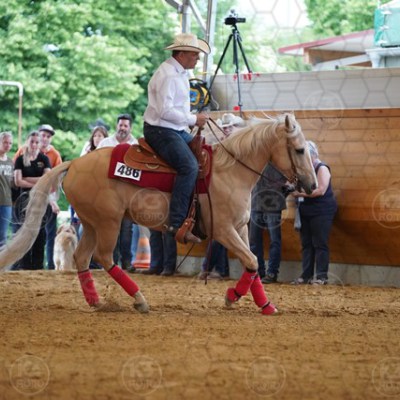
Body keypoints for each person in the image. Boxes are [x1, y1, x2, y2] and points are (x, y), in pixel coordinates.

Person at [143, 32, 210, 244]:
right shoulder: (169, 75)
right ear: (181, 54)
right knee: (189, 166)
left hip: (174, 129)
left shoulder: (179, 72)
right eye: (194, 54)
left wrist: (191, 119)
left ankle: (197, 215)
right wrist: (194, 119)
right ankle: (177, 224)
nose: (198, 58)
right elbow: (164, 111)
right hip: (161, 130)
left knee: (206, 156)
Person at [199, 113, 245, 279]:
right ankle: (218, 269)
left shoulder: (239, 147)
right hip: (223, 192)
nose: (226, 130)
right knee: (221, 233)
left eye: (229, 127)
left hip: (233, 194)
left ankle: (212, 268)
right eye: (225, 128)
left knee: (221, 233)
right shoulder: (222, 145)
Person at [13, 124, 62, 269]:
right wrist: (38, 181)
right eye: (32, 142)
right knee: (24, 231)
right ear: (28, 142)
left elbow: (48, 179)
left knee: (40, 233)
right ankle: (24, 265)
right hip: (23, 199)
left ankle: (38, 265)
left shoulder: (46, 158)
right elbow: (17, 181)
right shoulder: (20, 158)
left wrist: (26, 179)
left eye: (37, 142)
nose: (34, 145)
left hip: (41, 199)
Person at [291, 141, 337, 285]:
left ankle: (322, 276)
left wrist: (300, 194)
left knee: (319, 243)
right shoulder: (302, 170)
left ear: (313, 155)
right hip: (305, 210)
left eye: (305, 155)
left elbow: (321, 190)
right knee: (306, 243)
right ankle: (306, 275)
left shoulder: (321, 168)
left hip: (322, 211)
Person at [97, 114, 138, 271]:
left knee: (127, 229)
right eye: (120, 125)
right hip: (108, 192)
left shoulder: (135, 145)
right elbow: (97, 163)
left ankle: (127, 262)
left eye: (125, 126)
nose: (122, 128)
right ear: (116, 126)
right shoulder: (105, 143)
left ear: (130, 128)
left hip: (127, 194)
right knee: (110, 228)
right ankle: (110, 263)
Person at [249, 163, 294, 283]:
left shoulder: (280, 162)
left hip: (272, 204)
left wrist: (287, 187)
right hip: (256, 203)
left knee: (274, 240)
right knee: (254, 241)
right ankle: (258, 271)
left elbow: (293, 180)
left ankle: (272, 272)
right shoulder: (256, 159)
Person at [0, 132, 14, 247]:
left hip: (6, 202)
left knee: (3, 236)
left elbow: (13, 183)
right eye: (5, 142)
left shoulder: (10, 162)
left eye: (10, 143)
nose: (7, 145)